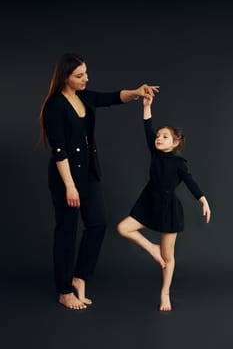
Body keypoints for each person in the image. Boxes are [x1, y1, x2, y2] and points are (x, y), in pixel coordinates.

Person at [39, 52, 159, 310]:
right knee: (67, 232)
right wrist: (70, 186)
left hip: (89, 172)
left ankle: (79, 277)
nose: (86, 79)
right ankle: (63, 290)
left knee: (98, 224)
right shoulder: (54, 106)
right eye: (79, 75)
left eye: (86, 73)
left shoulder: (83, 96)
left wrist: (137, 92)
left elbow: (112, 98)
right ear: (65, 78)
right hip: (66, 177)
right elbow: (58, 150)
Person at [117, 91, 211, 312]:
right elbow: (147, 129)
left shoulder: (179, 163)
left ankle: (165, 293)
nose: (159, 138)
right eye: (158, 136)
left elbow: (190, 182)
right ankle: (152, 248)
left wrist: (203, 200)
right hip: (149, 202)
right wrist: (146, 106)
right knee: (124, 228)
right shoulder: (155, 153)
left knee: (168, 257)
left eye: (165, 136)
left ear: (176, 142)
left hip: (169, 209)